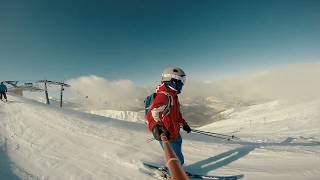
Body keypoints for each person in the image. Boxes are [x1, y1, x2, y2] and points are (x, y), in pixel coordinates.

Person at [146, 67, 191, 169]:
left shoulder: (173, 95)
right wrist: (155, 126)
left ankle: (172, 170)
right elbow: (153, 113)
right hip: (167, 135)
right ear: (173, 81)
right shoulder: (164, 96)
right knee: (177, 160)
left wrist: (184, 124)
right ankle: (172, 174)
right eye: (181, 81)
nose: (182, 84)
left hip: (175, 133)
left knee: (178, 158)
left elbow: (176, 114)